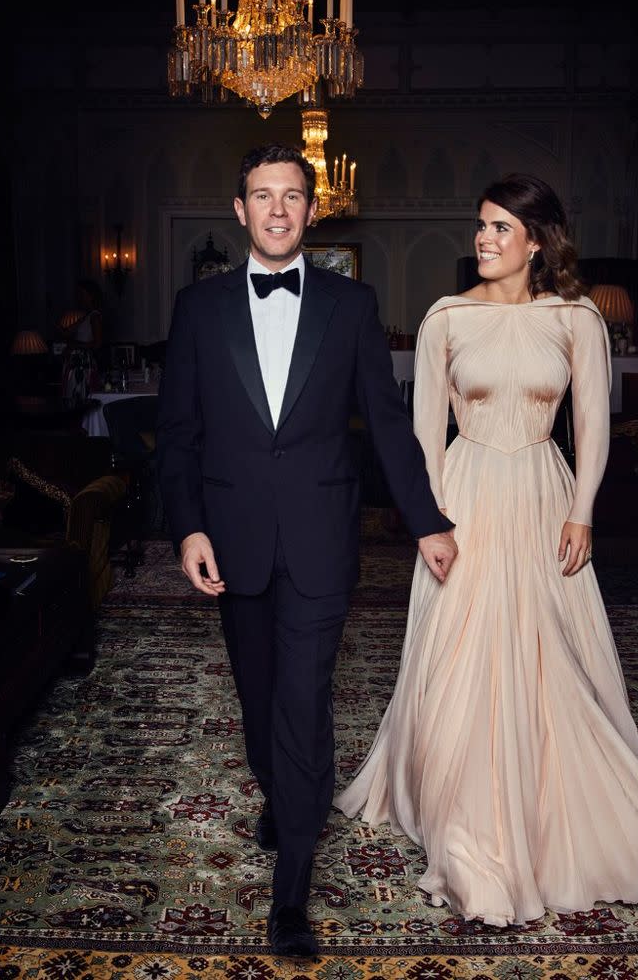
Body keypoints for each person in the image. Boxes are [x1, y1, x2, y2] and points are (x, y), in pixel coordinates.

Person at [335, 172, 638, 926]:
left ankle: (552, 801)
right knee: (462, 654)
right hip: (467, 497)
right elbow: (422, 434)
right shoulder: (444, 317)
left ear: (538, 241)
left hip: (547, 498)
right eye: (480, 225)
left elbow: (594, 426)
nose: (483, 238)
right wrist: (429, 520)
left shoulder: (575, 318)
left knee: (552, 651)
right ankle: (464, 817)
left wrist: (582, 512)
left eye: (500, 228)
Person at [156, 143, 458, 957]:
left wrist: (427, 518)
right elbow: (177, 435)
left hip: (324, 540)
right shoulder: (198, 307)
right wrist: (188, 527)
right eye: (263, 196)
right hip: (234, 541)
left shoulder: (351, 305)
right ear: (240, 208)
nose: (279, 210)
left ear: (313, 208)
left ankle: (291, 889)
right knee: (259, 702)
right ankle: (281, 790)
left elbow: (386, 426)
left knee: (302, 700)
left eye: (293, 196)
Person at [61, 279, 104, 403]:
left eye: (82, 294)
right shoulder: (86, 316)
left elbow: (97, 343)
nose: (79, 298)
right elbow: (66, 332)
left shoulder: (95, 316)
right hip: (76, 362)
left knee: (79, 395)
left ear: (91, 296)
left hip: (83, 362)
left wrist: (75, 345)